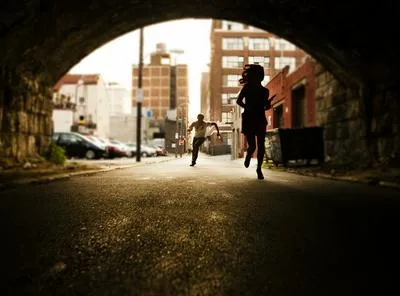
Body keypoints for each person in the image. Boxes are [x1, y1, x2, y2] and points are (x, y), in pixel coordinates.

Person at [236, 64, 272, 179]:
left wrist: (268, 105)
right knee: (252, 146)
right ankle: (248, 155)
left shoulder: (265, 91)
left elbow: (265, 106)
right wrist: (247, 107)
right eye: (259, 73)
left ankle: (259, 169)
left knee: (261, 146)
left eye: (262, 74)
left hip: (260, 119)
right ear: (254, 75)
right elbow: (238, 101)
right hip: (249, 118)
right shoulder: (247, 87)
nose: (261, 75)